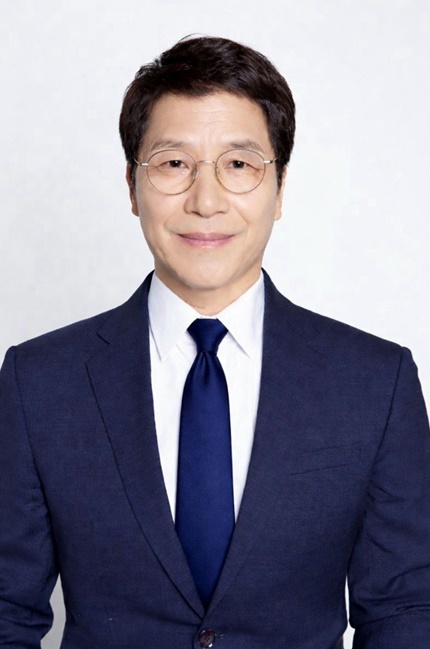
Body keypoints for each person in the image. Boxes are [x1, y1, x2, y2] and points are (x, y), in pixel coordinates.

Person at [1, 35, 430, 649]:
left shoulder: (375, 382)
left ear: (279, 188)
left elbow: (406, 609)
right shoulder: (38, 381)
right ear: (132, 187)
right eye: (174, 164)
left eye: (239, 165)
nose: (206, 201)